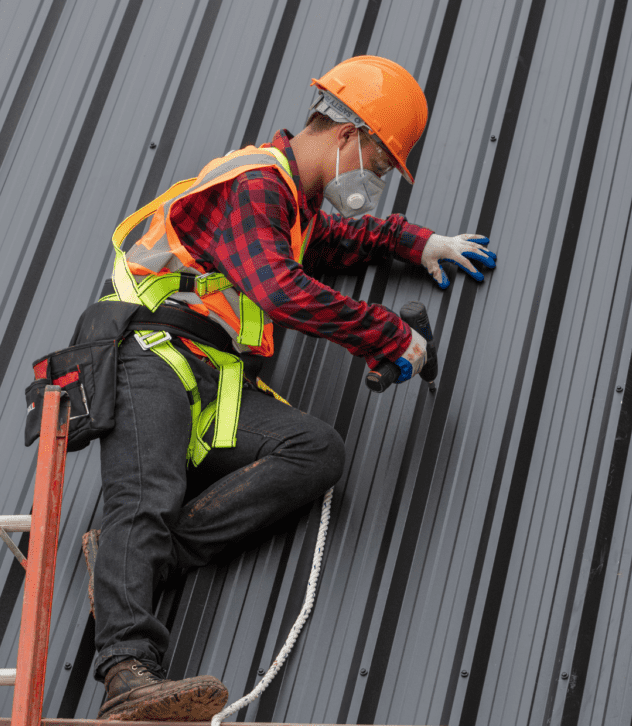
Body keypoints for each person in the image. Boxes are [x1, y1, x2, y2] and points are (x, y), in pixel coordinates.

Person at [90, 55, 497, 721]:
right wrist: (388, 335)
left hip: (211, 379)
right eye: (382, 162)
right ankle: (128, 676)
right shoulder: (256, 183)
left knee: (316, 451)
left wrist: (419, 243)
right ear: (345, 138)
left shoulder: (294, 209)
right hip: (151, 355)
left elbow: (342, 241)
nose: (380, 180)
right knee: (149, 492)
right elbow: (278, 287)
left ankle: (130, 565)